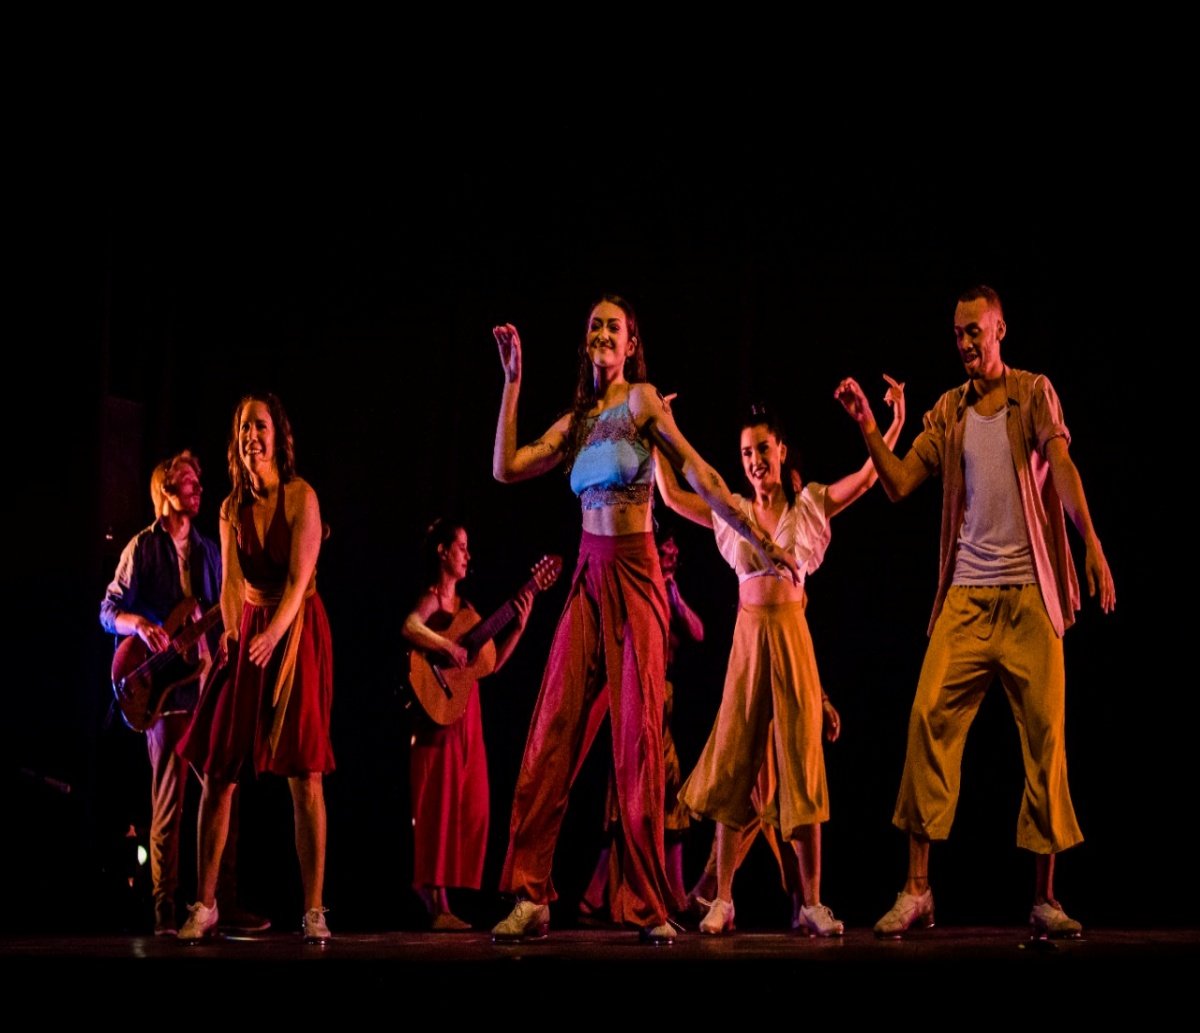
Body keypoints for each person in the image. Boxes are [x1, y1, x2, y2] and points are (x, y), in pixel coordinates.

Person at [489, 293, 797, 945]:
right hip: (586, 575)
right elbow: (507, 466)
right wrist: (512, 383)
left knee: (637, 742)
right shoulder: (577, 418)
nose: (602, 332)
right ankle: (531, 893)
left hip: (635, 574)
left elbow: (701, 473)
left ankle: (647, 901)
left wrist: (757, 536)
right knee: (552, 729)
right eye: (594, 324)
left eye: (614, 326)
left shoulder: (642, 402)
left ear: (631, 344)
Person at [834, 284, 1116, 938]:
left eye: (974, 331)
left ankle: (1045, 897)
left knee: (1046, 740)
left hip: (1028, 598)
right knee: (926, 717)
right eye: (957, 333)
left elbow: (1063, 464)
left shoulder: (1033, 393)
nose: (964, 342)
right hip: (963, 597)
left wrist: (1092, 541)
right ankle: (917, 890)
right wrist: (869, 427)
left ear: (999, 330)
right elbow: (901, 483)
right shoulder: (946, 411)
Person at [661, 382, 905, 937]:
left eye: (762, 450)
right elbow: (675, 497)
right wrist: (658, 438)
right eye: (746, 453)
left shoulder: (811, 505)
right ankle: (721, 899)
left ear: (781, 451)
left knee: (801, 760)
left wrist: (889, 426)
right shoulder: (733, 510)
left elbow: (870, 477)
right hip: (749, 639)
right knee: (734, 764)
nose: (754, 461)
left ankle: (813, 902)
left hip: (792, 635)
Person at [177, 393, 336, 943]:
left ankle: (314, 909)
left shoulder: (302, 497)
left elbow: (297, 581)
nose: (252, 437)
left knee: (305, 773)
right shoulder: (229, 508)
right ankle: (205, 903)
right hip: (248, 627)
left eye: (260, 427)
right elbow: (227, 583)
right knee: (217, 770)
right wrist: (228, 631)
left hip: (296, 631)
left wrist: (272, 633)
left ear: (279, 436)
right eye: (244, 428)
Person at [99, 449, 268, 937]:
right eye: (187, 481)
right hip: (161, 692)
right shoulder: (141, 547)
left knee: (222, 795)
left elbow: (224, 611)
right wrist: (142, 625)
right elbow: (107, 609)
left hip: (205, 689)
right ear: (164, 492)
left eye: (198, 480)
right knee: (168, 807)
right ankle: (164, 912)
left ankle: (221, 904)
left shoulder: (211, 550)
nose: (197, 486)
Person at [401, 518, 536, 931]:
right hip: (437, 717)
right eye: (461, 546)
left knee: (472, 806)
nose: (467, 555)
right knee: (437, 806)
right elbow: (409, 627)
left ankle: (446, 896)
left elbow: (489, 666)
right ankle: (434, 899)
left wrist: (520, 625)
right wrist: (446, 646)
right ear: (442, 551)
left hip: (466, 717)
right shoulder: (432, 601)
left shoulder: (471, 613)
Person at [576, 530, 704, 926]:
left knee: (668, 789)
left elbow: (698, 632)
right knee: (630, 790)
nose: (671, 556)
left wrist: (675, 595)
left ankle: (664, 891)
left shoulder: (668, 590)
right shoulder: (637, 581)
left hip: (661, 696)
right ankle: (602, 894)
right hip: (635, 690)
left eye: (673, 553)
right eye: (665, 550)